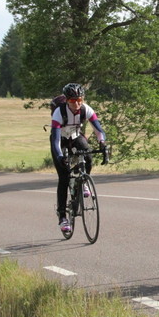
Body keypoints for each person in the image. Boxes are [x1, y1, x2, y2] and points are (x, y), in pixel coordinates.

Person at [50, 83, 108, 235]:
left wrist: (102, 143)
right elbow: (55, 140)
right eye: (72, 100)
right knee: (64, 177)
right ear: (67, 100)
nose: (76, 104)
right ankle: (62, 217)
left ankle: (83, 182)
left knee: (88, 156)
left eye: (79, 100)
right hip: (61, 140)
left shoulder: (86, 109)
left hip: (76, 136)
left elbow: (99, 130)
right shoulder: (59, 112)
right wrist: (60, 156)